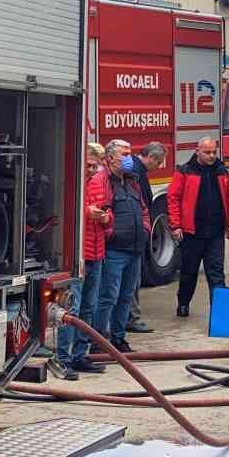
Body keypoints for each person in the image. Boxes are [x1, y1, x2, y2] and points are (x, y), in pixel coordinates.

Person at [58, 143, 111, 379]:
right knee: (72, 309)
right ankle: (63, 358)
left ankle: (80, 355)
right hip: (77, 257)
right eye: (88, 165)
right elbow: (62, 216)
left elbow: (109, 214)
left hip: (97, 254)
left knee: (89, 307)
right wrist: (86, 213)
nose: (91, 170)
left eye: (95, 166)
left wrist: (106, 218)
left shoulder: (99, 184)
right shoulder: (70, 185)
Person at [169, 137, 229, 317]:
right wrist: (175, 226)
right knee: (188, 272)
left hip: (215, 232)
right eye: (207, 152)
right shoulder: (184, 171)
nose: (212, 156)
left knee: (216, 273)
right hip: (191, 233)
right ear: (197, 151)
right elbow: (173, 198)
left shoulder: (222, 171)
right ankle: (183, 303)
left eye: (214, 152)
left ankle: (220, 311)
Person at [95, 150, 151, 354]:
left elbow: (144, 210)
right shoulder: (104, 182)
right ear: (110, 158)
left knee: (126, 296)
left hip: (134, 250)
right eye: (124, 154)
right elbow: (100, 210)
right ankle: (99, 341)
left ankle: (119, 339)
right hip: (115, 250)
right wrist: (111, 234)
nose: (129, 158)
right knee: (108, 296)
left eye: (130, 153)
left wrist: (145, 230)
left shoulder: (132, 181)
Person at [122, 141, 166, 334]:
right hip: (133, 237)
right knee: (132, 280)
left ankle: (126, 317)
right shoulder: (136, 173)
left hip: (133, 234)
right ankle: (131, 318)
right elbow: (141, 205)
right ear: (151, 157)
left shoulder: (135, 170)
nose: (159, 167)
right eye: (159, 162)